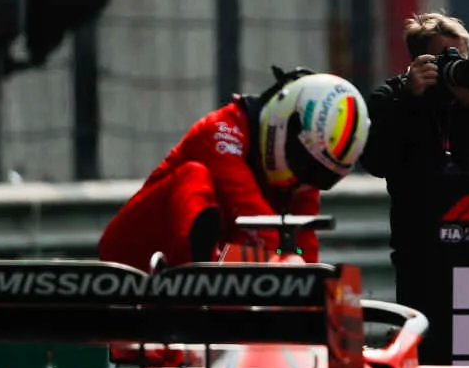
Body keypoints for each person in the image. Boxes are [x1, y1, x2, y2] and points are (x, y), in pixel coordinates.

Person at [97, 67, 370, 272]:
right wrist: (292, 269)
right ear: (284, 119)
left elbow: (304, 250)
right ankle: (191, 285)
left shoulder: (300, 185)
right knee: (194, 177)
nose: (304, 178)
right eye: (305, 162)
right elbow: (256, 221)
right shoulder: (221, 131)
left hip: (220, 273)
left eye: (320, 175)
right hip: (135, 260)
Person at [357, 12, 469, 311]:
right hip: (420, 244)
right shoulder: (392, 97)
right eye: (446, 56)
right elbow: (375, 162)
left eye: (462, 56)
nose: (456, 64)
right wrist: (411, 100)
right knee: (428, 337)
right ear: (419, 59)